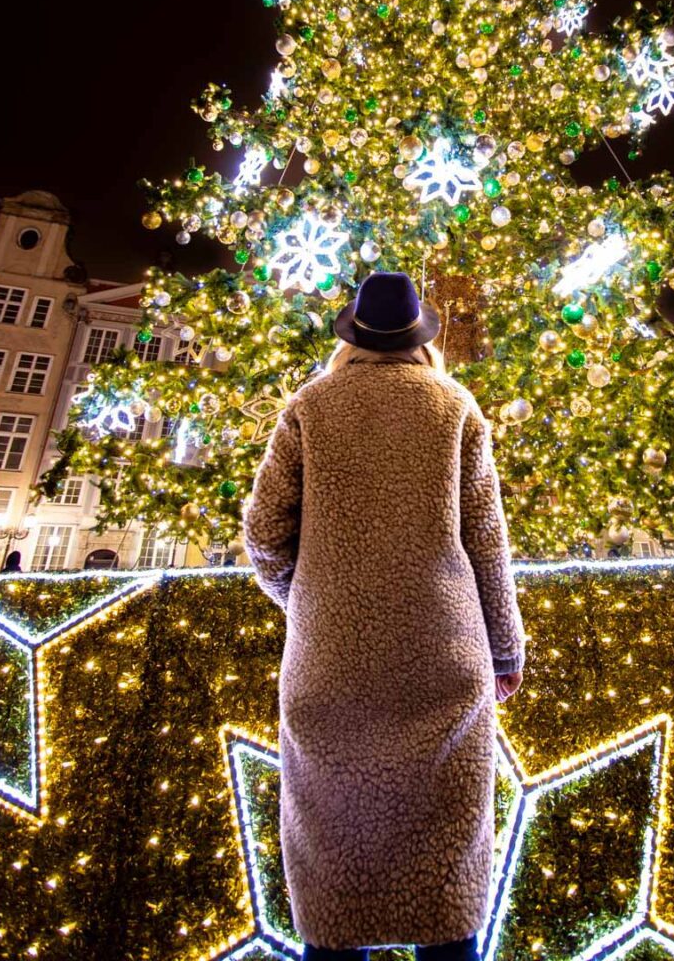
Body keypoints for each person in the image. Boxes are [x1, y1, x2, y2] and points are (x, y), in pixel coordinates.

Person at [243, 270, 526, 961]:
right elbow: (485, 542)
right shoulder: (454, 405)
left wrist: (311, 600)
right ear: (419, 339)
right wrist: (505, 653)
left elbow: (261, 531)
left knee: (334, 871)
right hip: (442, 657)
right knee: (447, 874)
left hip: (329, 665)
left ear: (353, 336)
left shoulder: (309, 404)